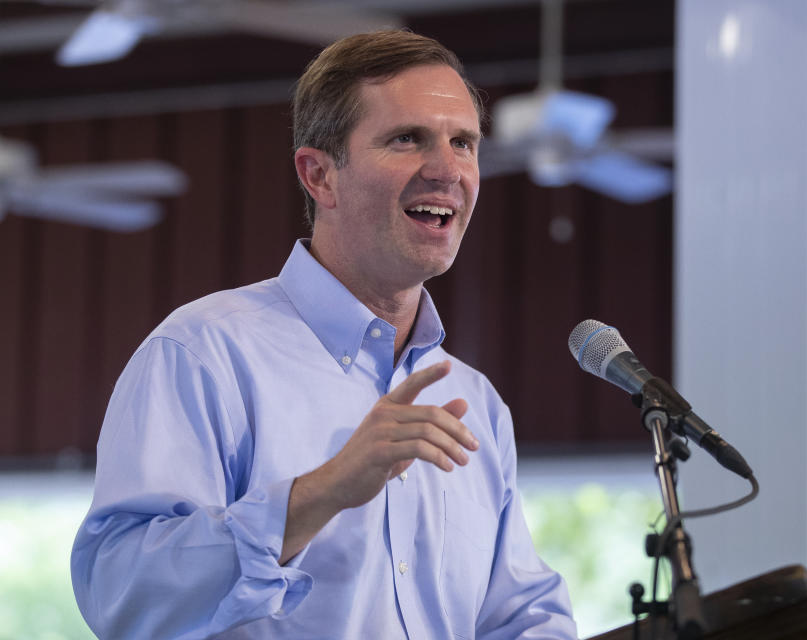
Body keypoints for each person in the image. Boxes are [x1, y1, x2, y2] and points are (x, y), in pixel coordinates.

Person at [71, 30, 577, 639]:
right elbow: (121, 593)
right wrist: (321, 493)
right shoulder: (205, 353)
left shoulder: (476, 404)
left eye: (463, 142)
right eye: (407, 139)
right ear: (319, 176)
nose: (447, 170)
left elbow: (519, 615)